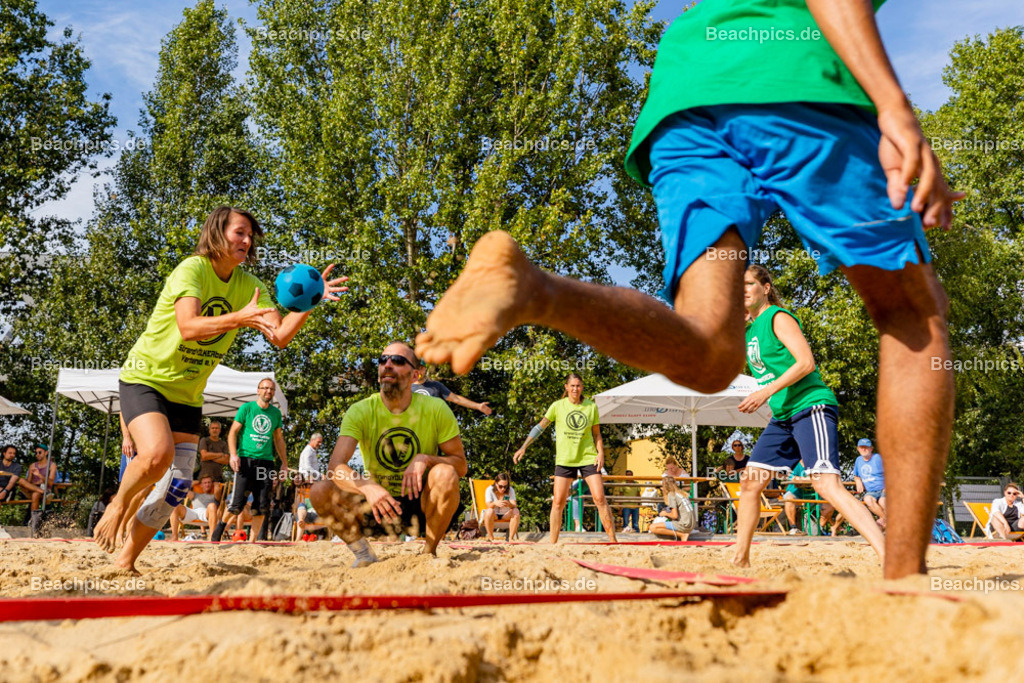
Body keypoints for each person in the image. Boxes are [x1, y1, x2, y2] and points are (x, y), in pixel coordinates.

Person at [417, 1, 961, 579]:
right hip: (796, 74)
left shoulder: (769, 320)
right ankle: (905, 576)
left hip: (688, 86)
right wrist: (893, 106)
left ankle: (536, 290)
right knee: (911, 315)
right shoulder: (772, 319)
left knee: (709, 356)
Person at [92, 205, 347, 573]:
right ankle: (118, 504)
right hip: (146, 377)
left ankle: (125, 561)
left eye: (250, 236)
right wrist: (239, 317)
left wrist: (311, 301)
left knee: (177, 488)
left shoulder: (250, 286)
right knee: (157, 455)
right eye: (239, 232)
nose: (246, 240)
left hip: (187, 395)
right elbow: (189, 327)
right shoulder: (192, 269)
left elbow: (279, 336)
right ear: (216, 232)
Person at [733, 266, 885, 568]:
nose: (743, 290)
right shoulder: (750, 331)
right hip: (784, 415)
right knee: (750, 482)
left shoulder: (778, 317)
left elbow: (805, 363)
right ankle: (740, 560)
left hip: (809, 405)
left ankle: (888, 555)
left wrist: (765, 392)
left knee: (826, 485)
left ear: (765, 288)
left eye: (749, 284)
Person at [309, 342, 466, 567]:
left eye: (398, 361)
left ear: (415, 375)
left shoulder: (436, 408)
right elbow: (335, 468)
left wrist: (426, 458)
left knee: (445, 473)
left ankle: (428, 553)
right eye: (383, 360)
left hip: (421, 506)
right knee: (320, 490)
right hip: (375, 507)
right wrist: (366, 486)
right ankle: (364, 555)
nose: (388, 364)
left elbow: (460, 466)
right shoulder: (361, 410)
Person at [513, 373, 617, 544]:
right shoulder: (557, 406)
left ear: (582, 387)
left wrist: (600, 453)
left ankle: (613, 540)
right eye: (572, 386)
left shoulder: (591, 407)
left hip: (588, 457)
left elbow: (596, 434)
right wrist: (524, 446)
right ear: (566, 387)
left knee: (599, 498)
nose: (575, 389)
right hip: (565, 459)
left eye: (578, 385)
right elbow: (540, 427)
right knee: (558, 502)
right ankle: (553, 543)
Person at [211, 378, 288, 543]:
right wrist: (233, 455)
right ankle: (220, 527)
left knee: (262, 505)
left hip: (266, 463)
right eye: (265, 388)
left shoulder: (275, 413)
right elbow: (233, 432)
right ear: (258, 390)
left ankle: (252, 542)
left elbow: (278, 439)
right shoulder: (247, 408)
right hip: (245, 461)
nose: (268, 391)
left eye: (271, 389)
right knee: (237, 505)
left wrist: (284, 463)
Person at [413, 363, 492, 415]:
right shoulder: (407, 388)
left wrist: (478, 406)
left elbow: (456, 399)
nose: (419, 372)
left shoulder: (436, 386)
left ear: (425, 369)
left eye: (421, 368)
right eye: (416, 368)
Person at [169, 475, 220, 541]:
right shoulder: (194, 494)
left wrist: (216, 485)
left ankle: (212, 537)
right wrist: (196, 482)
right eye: (205, 483)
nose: (207, 484)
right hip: (193, 512)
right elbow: (184, 489)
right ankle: (174, 537)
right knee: (175, 506)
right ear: (201, 485)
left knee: (212, 505)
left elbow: (218, 493)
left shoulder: (214, 495)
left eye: (209, 482)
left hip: (206, 513)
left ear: (212, 484)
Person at [648, 476, 695, 540]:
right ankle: (682, 534)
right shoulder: (681, 493)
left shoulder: (671, 495)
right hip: (691, 524)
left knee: (652, 527)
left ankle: (682, 535)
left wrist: (665, 513)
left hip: (684, 525)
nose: (661, 488)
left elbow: (675, 516)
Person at [853, 438, 887, 528]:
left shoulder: (878, 458)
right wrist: (857, 480)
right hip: (871, 492)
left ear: (871, 448)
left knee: (882, 502)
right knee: (867, 499)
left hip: (884, 488)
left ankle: (885, 522)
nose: (864, 449)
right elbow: (856, 475)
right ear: (858, 449)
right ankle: (886, 520)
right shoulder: (858, 460)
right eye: (861, 447)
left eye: (866, 447)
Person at [481, 472, 520, 541]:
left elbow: (514, 505)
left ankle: (511, 538)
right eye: (500, 486)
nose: (503, 489)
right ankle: (491, 537)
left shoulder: (510, 490)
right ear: (496, 483)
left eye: (505, 486)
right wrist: (495, 503)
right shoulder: (489, 490)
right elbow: (488, 505)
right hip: (494, 515)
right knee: (489, 511)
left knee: (516, 511)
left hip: (505, 514)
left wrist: (509, 504)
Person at [198, 419, 230, 500]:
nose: (214, 430)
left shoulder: (223, 444)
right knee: (203, 501)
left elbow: (226, 461)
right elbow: (204, 456)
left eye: (216, 428)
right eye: (212, 428)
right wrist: (220, 454)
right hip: (204, 478)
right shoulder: (204, 440)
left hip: (218, 477)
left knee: (217, 500)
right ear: (209, 430)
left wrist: (210, 456)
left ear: (220, 430)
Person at [782, 462, 808, 535]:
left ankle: (822, 527)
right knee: (789, 498)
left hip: (813, 495)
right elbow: (791, 477)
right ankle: (793, 527)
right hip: (795, 494)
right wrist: (805, 479)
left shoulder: (816, 465)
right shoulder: (796, 464)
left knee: (829, 502)